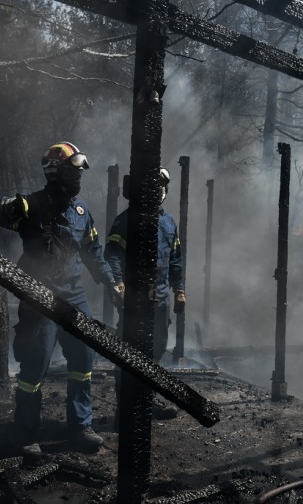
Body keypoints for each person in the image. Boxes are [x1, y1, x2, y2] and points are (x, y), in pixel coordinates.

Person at [0, 141, 119, 455]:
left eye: (78, 173)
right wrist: (7, 205)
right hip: (39, 295)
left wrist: (112, 282)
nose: (77, 178)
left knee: (83, 359)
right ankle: (24, 435)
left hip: (74, 295)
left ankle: (80, 427)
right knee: (35, 365)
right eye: (73, 171)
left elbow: (92, 252)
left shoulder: (80, 210)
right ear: (55, 172)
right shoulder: (31, 205)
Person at [105, 168, 185, 419]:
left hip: (160, 296)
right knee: (128, 349)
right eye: (154, 184)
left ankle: (146, 401)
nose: (158, 189)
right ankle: (124, 407)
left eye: (161, 185)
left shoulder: (168, 222)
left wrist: (179, 289)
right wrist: (118, 283)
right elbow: (113, 256)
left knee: (157, 346)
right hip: (134, 295)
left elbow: (175, 260)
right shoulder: (125, 220)